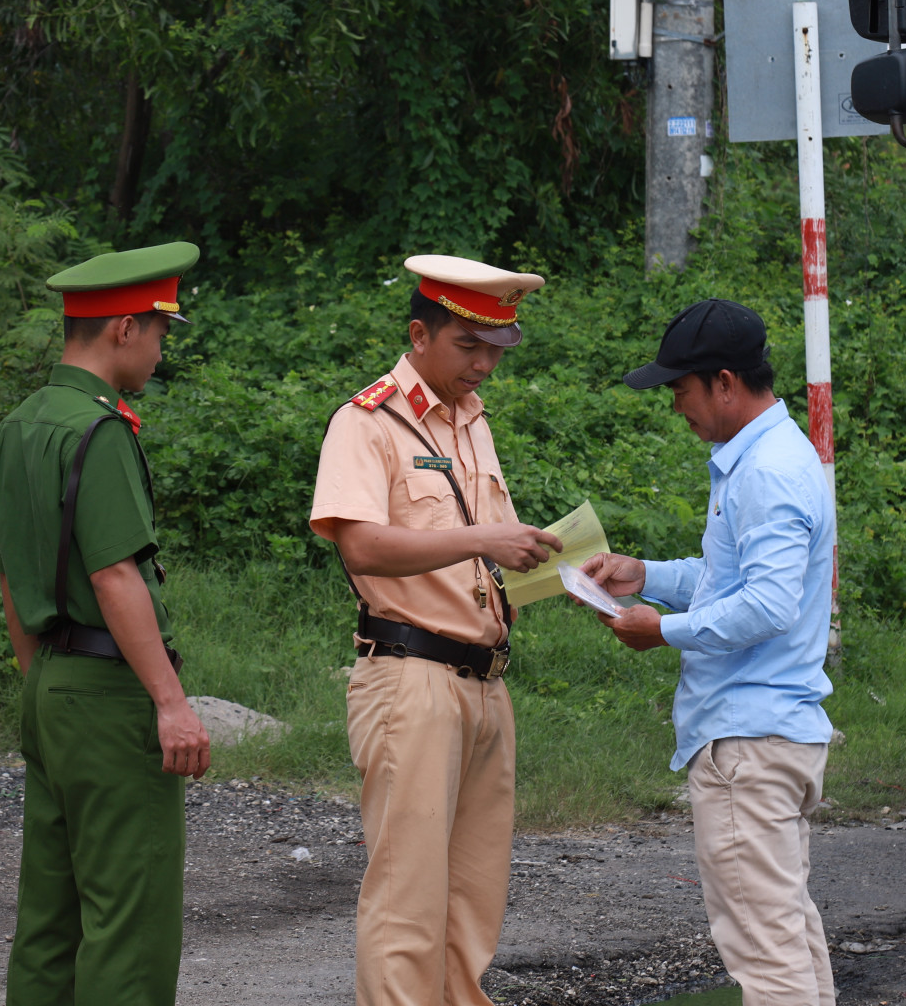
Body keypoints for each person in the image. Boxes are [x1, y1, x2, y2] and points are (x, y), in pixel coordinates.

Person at [310, 255, 566, 1006]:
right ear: (419, 334)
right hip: (411, 678)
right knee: (407, 903)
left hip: (483, 681)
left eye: (497, 348)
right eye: (469, 345)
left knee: (471, 901)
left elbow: (480, 543)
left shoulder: (471, 422)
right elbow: (362, 544)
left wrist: (560, 567)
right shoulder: (370, 421)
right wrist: (485, 540)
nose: (484, 364)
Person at [581, 298, 837, 1006]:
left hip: (747, 744)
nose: (677, 408)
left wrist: (659, 630)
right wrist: (651, 579)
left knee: (764, 950)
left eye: (681, 390)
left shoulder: (767, 472)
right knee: (786, 935)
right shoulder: (766, 458)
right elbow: (734, 583)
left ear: (724, 383)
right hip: (769, 733)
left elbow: (768, 605)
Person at [0, 242, 212, 1006]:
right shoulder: (100, 430)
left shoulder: (23, 424)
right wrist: (171, 701)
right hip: (108, 695)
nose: (160, 350)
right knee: (129, 920)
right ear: (124, 328)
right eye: (159, 332)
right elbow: (115, 575)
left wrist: (39, 682)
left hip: (50, 683)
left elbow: (13, 574)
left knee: (50, 917)